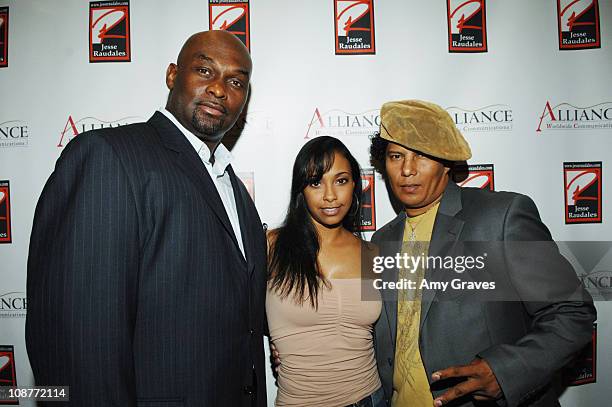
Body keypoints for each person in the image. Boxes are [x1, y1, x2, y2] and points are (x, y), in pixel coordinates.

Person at [26, 30, 268, 406]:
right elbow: (78, 344)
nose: (220, 89)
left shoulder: (231, 186)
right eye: (205, 71)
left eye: (236, 81)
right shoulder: (109, 157)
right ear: (173, 75)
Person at [369, 100, 596, 407]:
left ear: (446, 162)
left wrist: (505, 372)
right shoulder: (381, 239)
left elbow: (572, 311)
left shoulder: (500, 216)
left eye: (421, 155)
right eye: (396, 156)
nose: (407, 170)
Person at [266, 136, 385, 407]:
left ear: (355, 185)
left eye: (341, 180)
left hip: (369, 398)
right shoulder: (273, 246)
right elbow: (235, 311)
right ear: (301, 189)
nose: (330, 195)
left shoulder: (371, 255)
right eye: (315, 182)